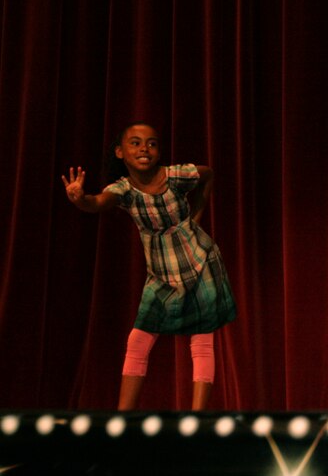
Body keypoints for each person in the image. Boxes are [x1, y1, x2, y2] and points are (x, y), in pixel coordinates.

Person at [61, 123, 236, 410]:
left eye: (152, 144)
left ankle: (196, 417)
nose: (145, 149)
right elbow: (98, 202)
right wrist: (81, 200)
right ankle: (123, 417)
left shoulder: (175, 175)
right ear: (120, 152)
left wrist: (195, 218)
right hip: (161, 272)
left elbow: (208, 174)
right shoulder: (123, 190)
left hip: (199, 262)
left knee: (201, 340)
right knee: (138, 340)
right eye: (136, 143)